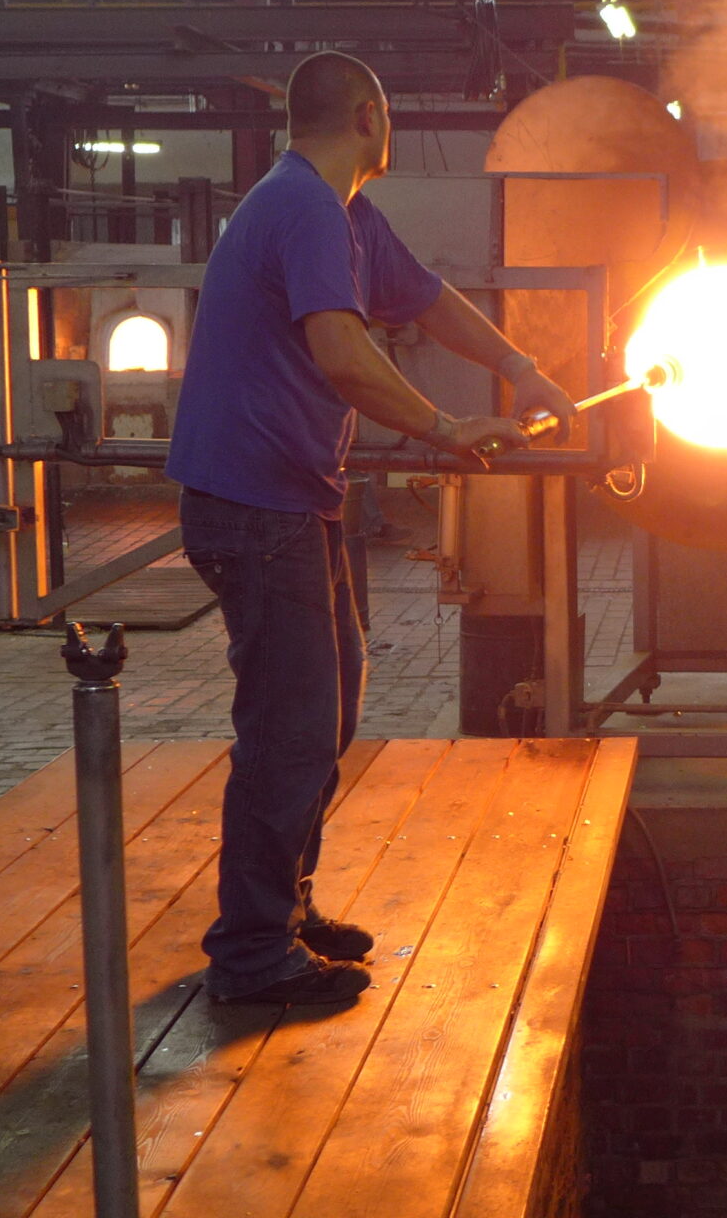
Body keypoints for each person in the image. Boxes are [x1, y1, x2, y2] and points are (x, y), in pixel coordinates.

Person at [166, 51, 574, 1006]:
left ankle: (286, 909)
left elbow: (426, 299)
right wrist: (443, 424)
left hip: (291, 499)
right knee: (292, 724)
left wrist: (523, 370)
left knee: (330, 707)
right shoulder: (303, 207)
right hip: (253, 504)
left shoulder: (340, 212)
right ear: (367, 114)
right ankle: (252, 952)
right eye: (389, 116)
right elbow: (343, 353)